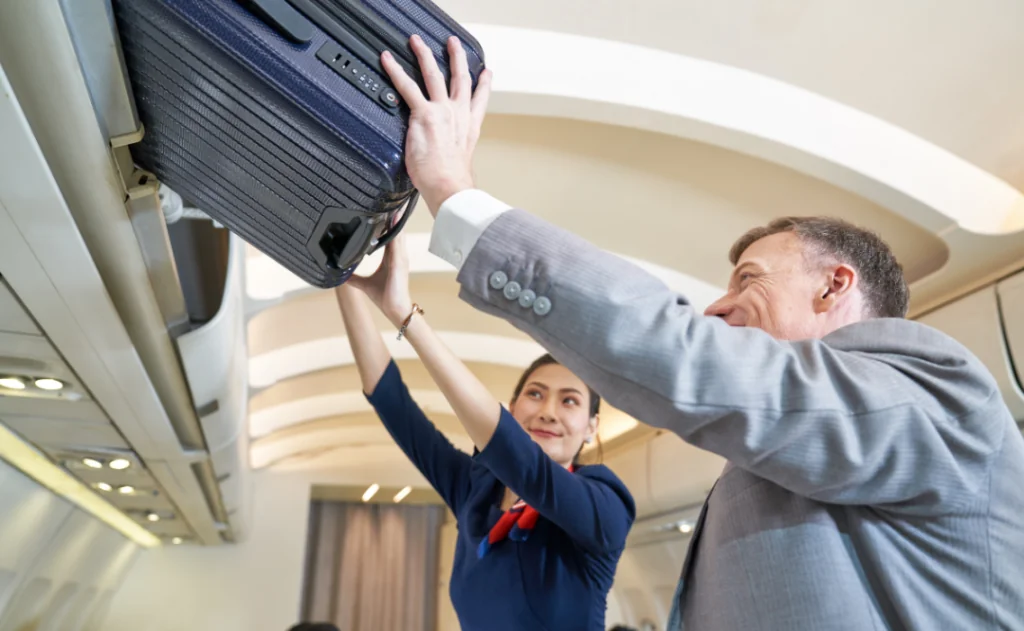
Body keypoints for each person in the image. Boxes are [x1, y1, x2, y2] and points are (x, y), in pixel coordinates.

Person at [372, 34, 1024, 630]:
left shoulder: (939, 388)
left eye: (748, 279)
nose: (717, 308)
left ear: (834, 285)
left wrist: (456, 197)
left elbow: (685, 353)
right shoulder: (774, 459)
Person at [334, 236, 635, 631]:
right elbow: (393, 403)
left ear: (591, 428)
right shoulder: (474, 491)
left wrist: (404, 313)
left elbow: (525, 467)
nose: (547, 412)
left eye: (570, 402)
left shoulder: (604, 504)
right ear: (513, 409)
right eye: (535, 394)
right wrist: (341, 276)